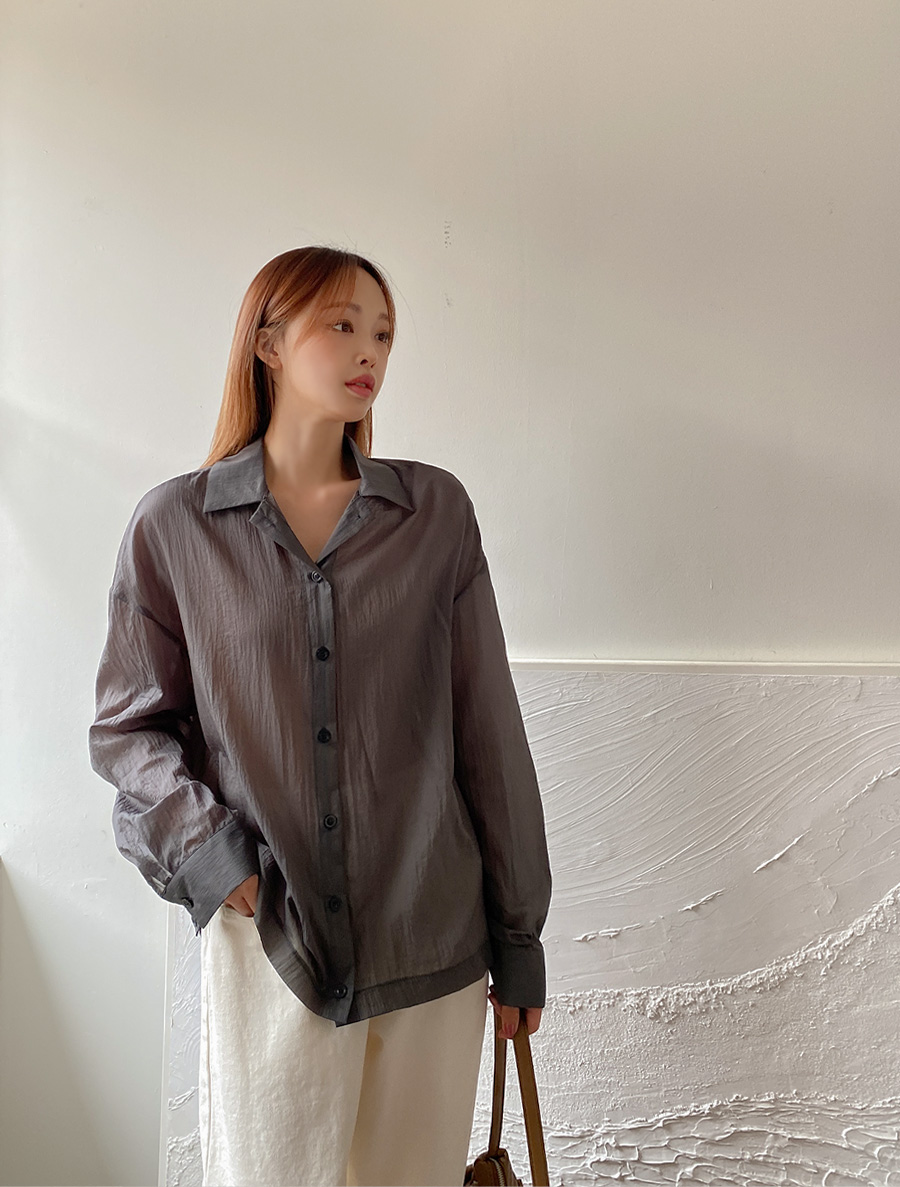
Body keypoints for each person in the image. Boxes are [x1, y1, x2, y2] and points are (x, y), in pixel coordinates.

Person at [88, 245, 553, 1187]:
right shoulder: (174, 527)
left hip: (431, 941)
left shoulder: (434, 515)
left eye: (382, 332)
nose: (368, 349)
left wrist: (518, 936)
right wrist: (218, 861)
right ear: (268, 341)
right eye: (341, 324)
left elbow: (488, 731)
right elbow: (129, 730)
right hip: (271, 943)